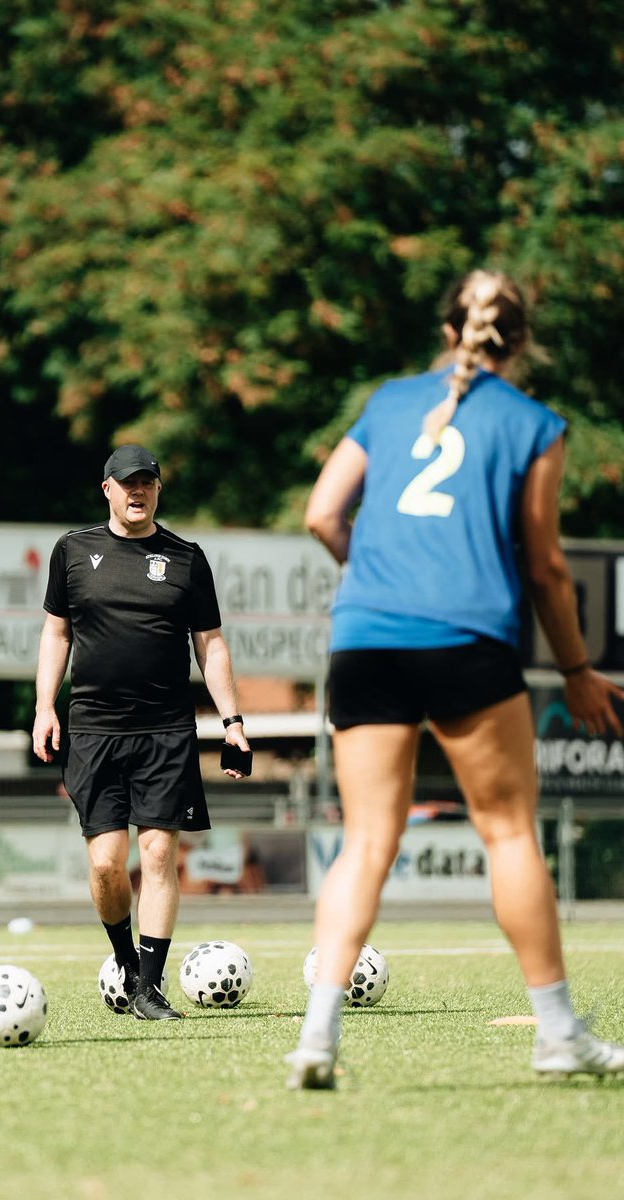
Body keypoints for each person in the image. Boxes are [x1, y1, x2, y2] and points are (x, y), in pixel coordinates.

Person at [287, 269, 624, 1089]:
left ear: (448, 331)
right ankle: (555, 1034)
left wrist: (375, 579)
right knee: (507, 832)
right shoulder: (535, 423)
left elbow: (321, 514)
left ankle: (317, 1039)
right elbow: (546, 566)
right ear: (521, 342)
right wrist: (577, 670)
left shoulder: (390, 399)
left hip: (363, 636)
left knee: (366, 840)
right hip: (465, 636)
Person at [32, 444, 251, 1020]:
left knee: (158, 853)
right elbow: (57, 634)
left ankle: (150, 988)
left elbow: (211, 643)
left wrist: (233, 723)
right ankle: (127, 964)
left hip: (166, 728)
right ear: (107, 488)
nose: (138, 491)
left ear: (158, 489)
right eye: (127, 482)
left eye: (147, 482)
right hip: (94, 728)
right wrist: (43, 707)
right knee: (107, 862)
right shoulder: (73, 551)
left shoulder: (185, 557)